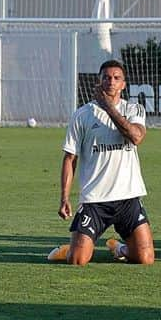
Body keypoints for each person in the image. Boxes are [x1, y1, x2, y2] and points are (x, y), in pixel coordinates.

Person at [47, 60, 155, 266]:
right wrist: (64, 198)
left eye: (116, 78)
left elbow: (135, 137)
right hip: (95, 200)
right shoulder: (82, 115)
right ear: (99, 82)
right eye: (106, 77)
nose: (111, 82)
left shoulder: (134, 109)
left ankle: (120, 248)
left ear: (123, 84)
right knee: (77, 261)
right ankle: (68, 249)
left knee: (145, 259)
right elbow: (70, 157)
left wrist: (107, 106)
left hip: (128, 198)